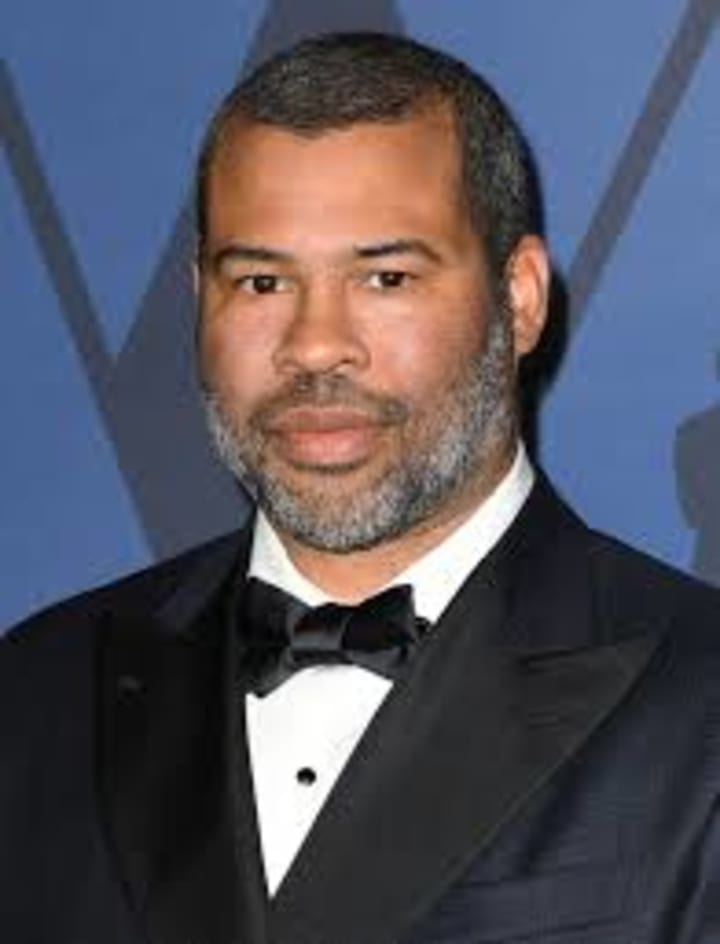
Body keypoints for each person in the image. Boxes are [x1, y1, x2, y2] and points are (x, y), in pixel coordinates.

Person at [2, 31, 720, 944]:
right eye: (262, 281)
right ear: (199, 300)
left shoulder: (702, 700)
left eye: (385, 277)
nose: (314, 346)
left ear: (520, 299)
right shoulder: (40, 688)